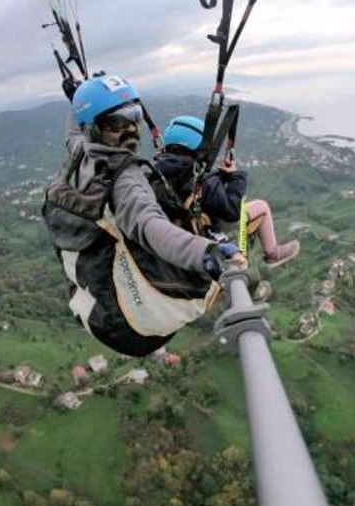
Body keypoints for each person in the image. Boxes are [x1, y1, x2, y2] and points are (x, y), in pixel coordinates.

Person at [42, 74, 243, 357]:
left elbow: (73, 134)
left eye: (135, 118)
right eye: (116, 124)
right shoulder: (126, 181)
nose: (131, 131)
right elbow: (150, 226)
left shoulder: (80, 154)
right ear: (93, 128)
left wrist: (78, 100)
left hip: (100, 315)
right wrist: (207, 254)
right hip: (136, 330)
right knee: (214, 237)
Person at [154, 114, 300, 268]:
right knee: (262, 206)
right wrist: (236, 177)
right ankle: (273, 254)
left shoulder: (158, 172)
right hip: (207, 226)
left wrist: (221, 177)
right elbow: (232, 211)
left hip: (176, 230)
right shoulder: (201, 180)